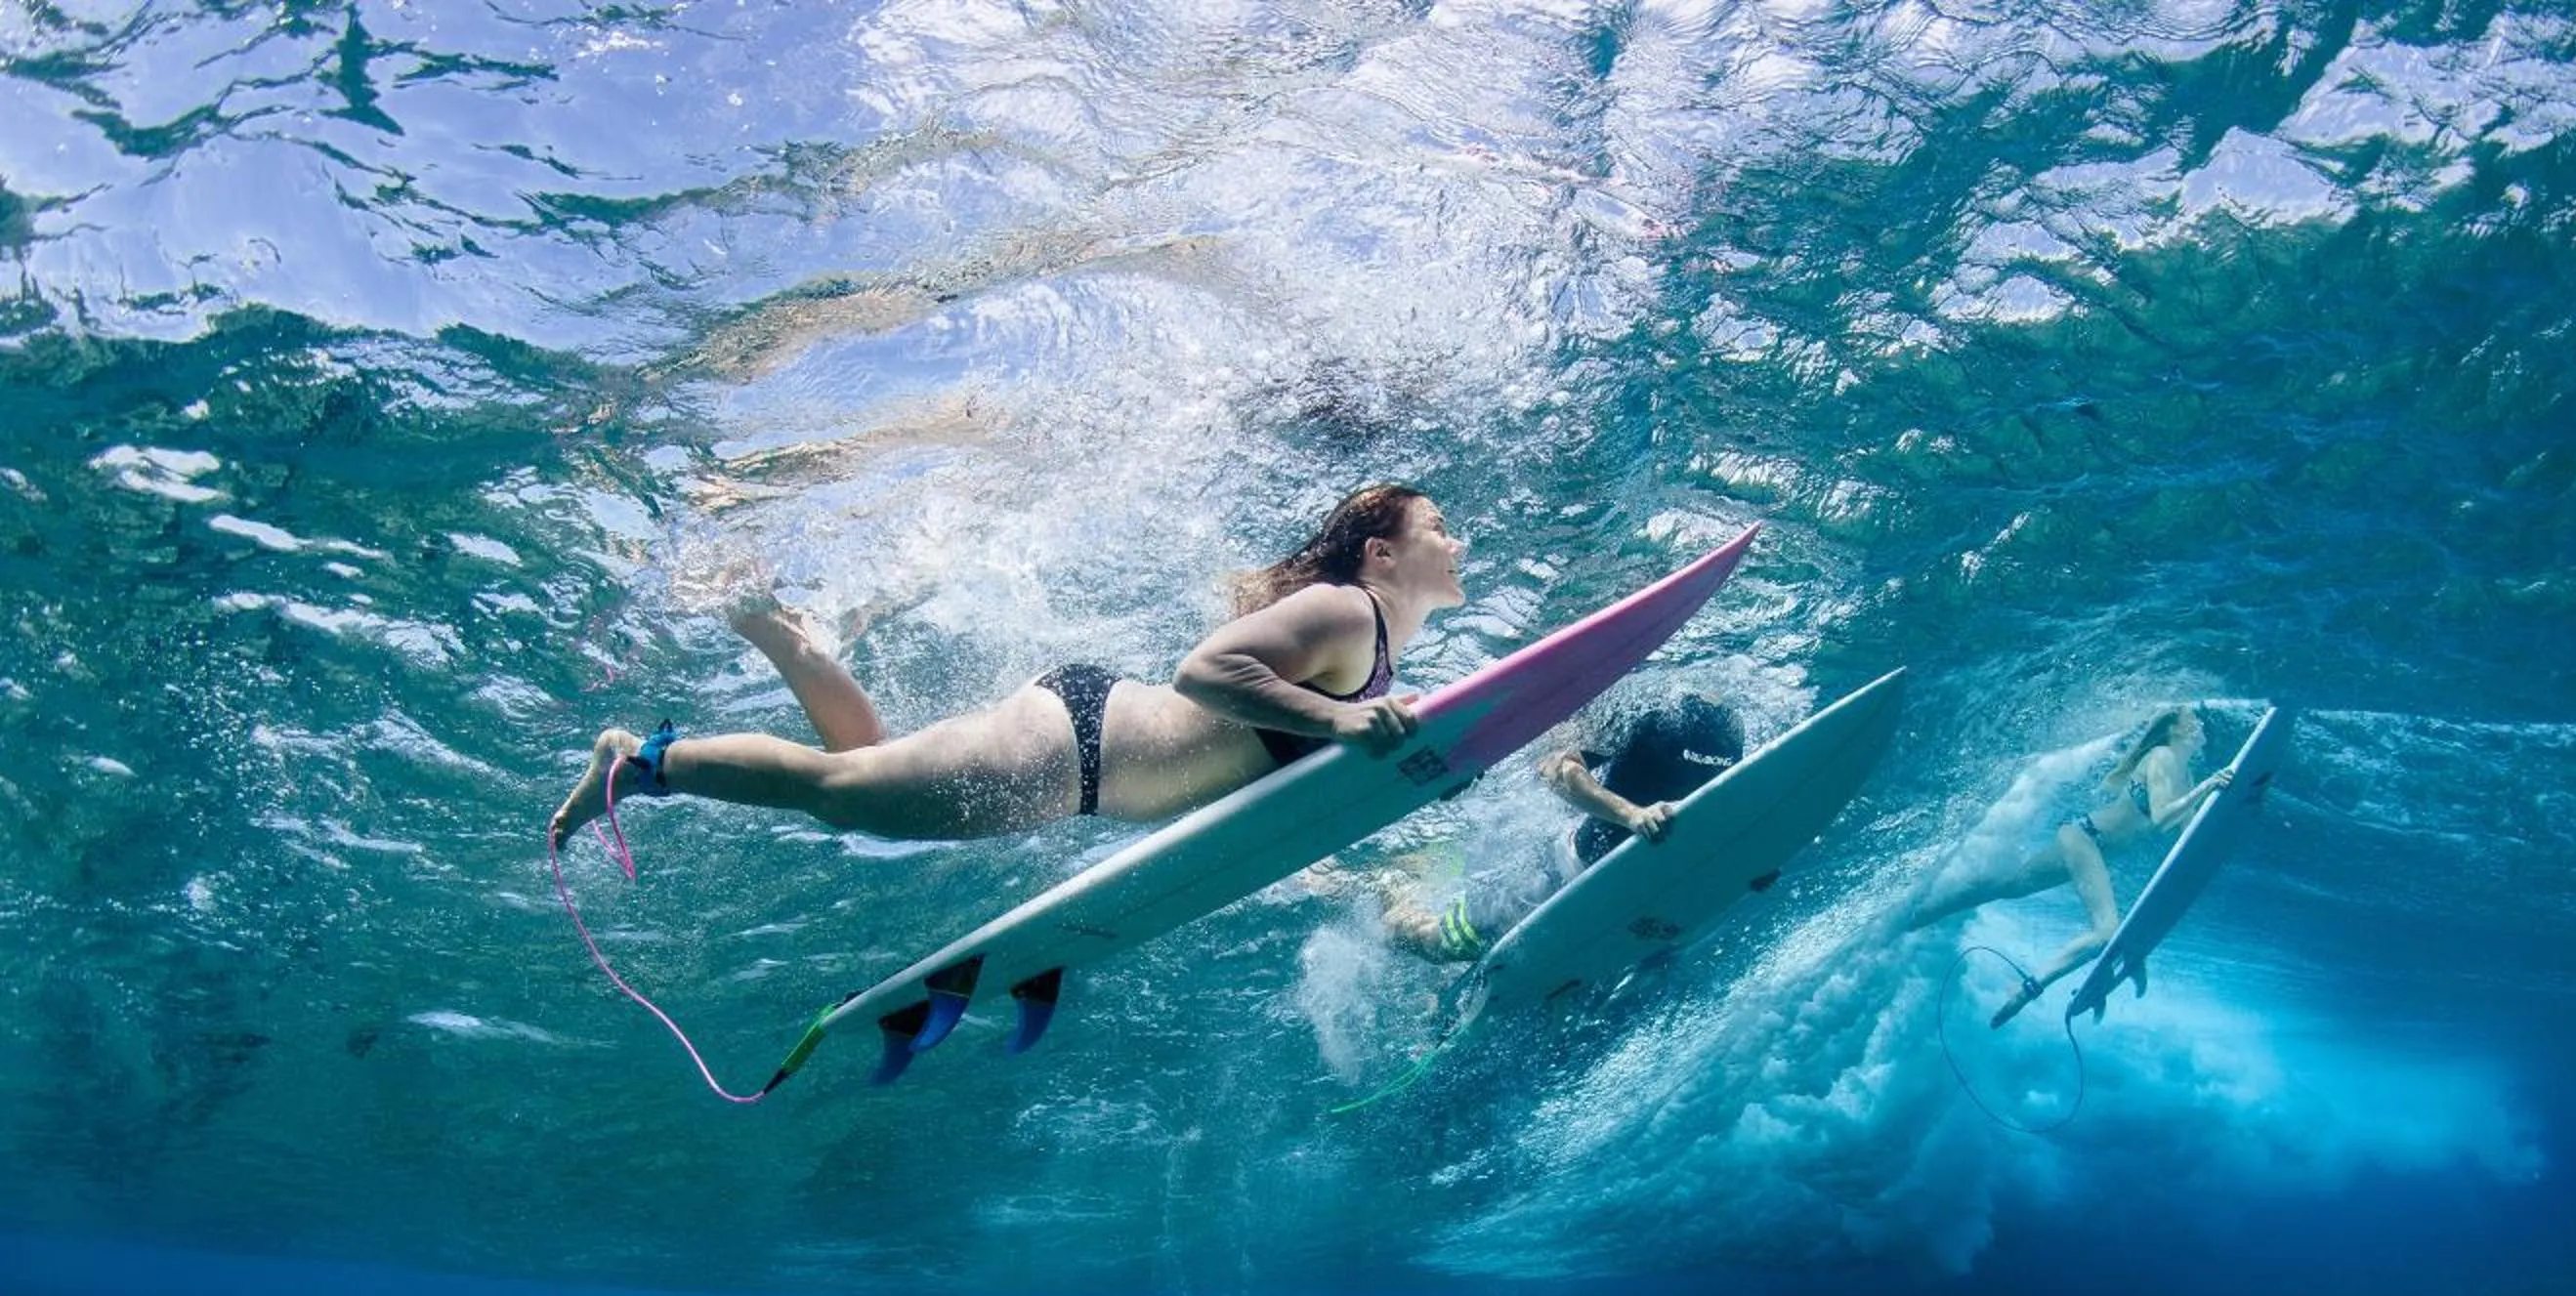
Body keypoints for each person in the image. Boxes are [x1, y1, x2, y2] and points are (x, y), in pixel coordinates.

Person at [546, 485, 1467, 849]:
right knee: (841, 794)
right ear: (1380, 554)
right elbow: (1205, 671)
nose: (1455, 541)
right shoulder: (1351, 610)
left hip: (1083, 747)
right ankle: (642, 763)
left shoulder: (1368, 644)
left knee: (865, 771)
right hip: (1076, 751)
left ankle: (786, 638)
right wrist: (1345, 720)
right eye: (1437, 527)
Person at [1908, 704, 2237, 1025]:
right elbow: (2164, 817)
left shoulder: (2185, 774)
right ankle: (2026, 990)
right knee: (2105, 931)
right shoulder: (2162, 757)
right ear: (2174, 728)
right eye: (2192, 717)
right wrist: (2208, 786)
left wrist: (2227, 810)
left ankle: (1926, 910)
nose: (2200, 723)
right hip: (2086, 838)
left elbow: (2188, 832)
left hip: (2086, 841)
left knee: (2012, 886)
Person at [1371, 690, 1745, 962]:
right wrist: (1632, 815)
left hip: (1636, 891)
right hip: (1559, 875)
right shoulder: (1652, 713)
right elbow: (1557, 769)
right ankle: (1393, 893)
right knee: (1439, 943)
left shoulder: (1730, 732)